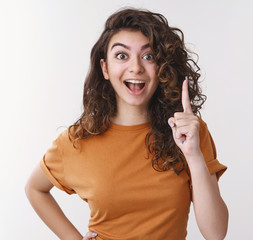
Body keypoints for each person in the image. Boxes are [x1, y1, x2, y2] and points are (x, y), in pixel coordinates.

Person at [25, 8, 228, 240]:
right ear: (105, 68)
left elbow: (216, 233)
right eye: (122, 55)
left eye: (148, 56)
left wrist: (193, 155)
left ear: (162, 68)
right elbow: (35, 189)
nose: (136, 67)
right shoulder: (78, 140)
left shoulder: (188, 132)